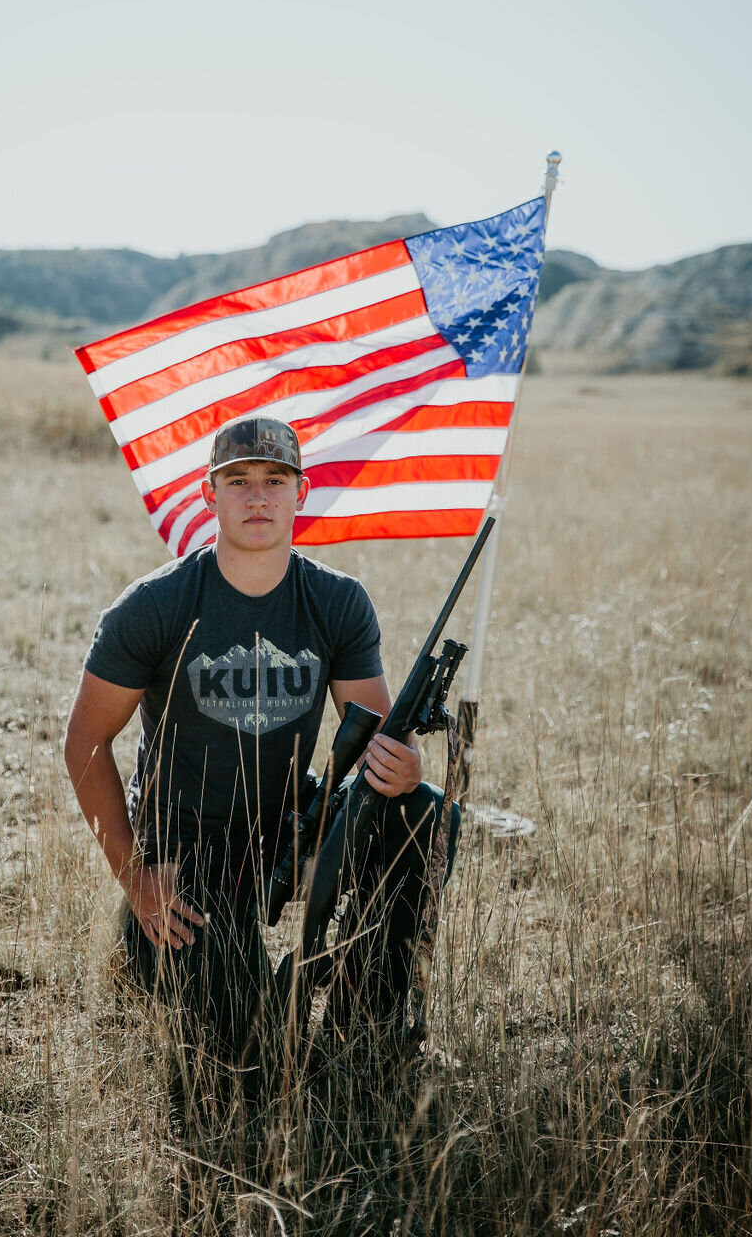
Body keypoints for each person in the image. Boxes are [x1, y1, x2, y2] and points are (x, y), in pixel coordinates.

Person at [64, 415, 454, 1066]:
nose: (257, 497)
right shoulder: (155, 606)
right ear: (209, 493)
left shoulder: (336, 601)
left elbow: (386, 738)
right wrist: (137, 878)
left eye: (275, 480)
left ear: (300, 492)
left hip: (289, 821)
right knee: (240, 1052)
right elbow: (84, 743)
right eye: (238, 481)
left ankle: (370, 1020)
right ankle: (147, 950)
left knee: (422, 812)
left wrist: (406, 768)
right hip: (186, 839)